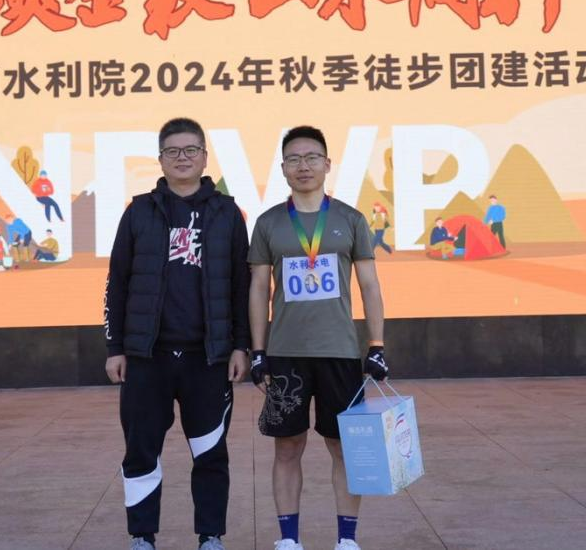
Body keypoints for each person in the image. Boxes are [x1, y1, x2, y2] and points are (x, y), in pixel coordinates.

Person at [104, 117, 251, 551]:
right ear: (161, 159)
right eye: (173, 151)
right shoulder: (139, 212)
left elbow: (241, 287)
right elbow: (117, 283)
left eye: (191, 150)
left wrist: (241, 346)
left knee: (210, 453)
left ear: (204, 157)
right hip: (146, 357)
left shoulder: (227, 213)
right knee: (141, 451)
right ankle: (142, 536)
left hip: (208, 358)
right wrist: (115, 348)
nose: (182, 158)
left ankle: (210, 535)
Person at [248, 125, 388, 551]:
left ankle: (347, 539)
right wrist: (258, 351)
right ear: (283, 169)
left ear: (327, 164)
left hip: (340, 353)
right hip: (285, 354)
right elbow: (258, 288)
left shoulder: (350, 219)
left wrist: (376, 345)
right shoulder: (269, 223)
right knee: (287, 448)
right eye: (294, 159)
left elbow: (370, 285)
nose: (303, 166)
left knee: (344, 448)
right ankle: (288, 539)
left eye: (311, 158)